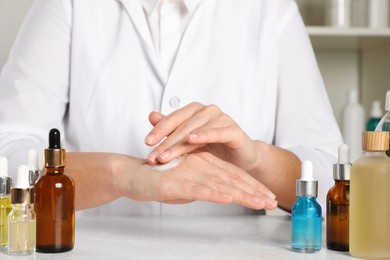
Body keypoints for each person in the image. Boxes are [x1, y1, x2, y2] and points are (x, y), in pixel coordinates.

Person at [0, 0, 342, 216]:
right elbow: (7, 150)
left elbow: (330, 176)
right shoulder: (68, 5)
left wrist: (255, 160)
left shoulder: (270, 9)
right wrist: (122, 174)